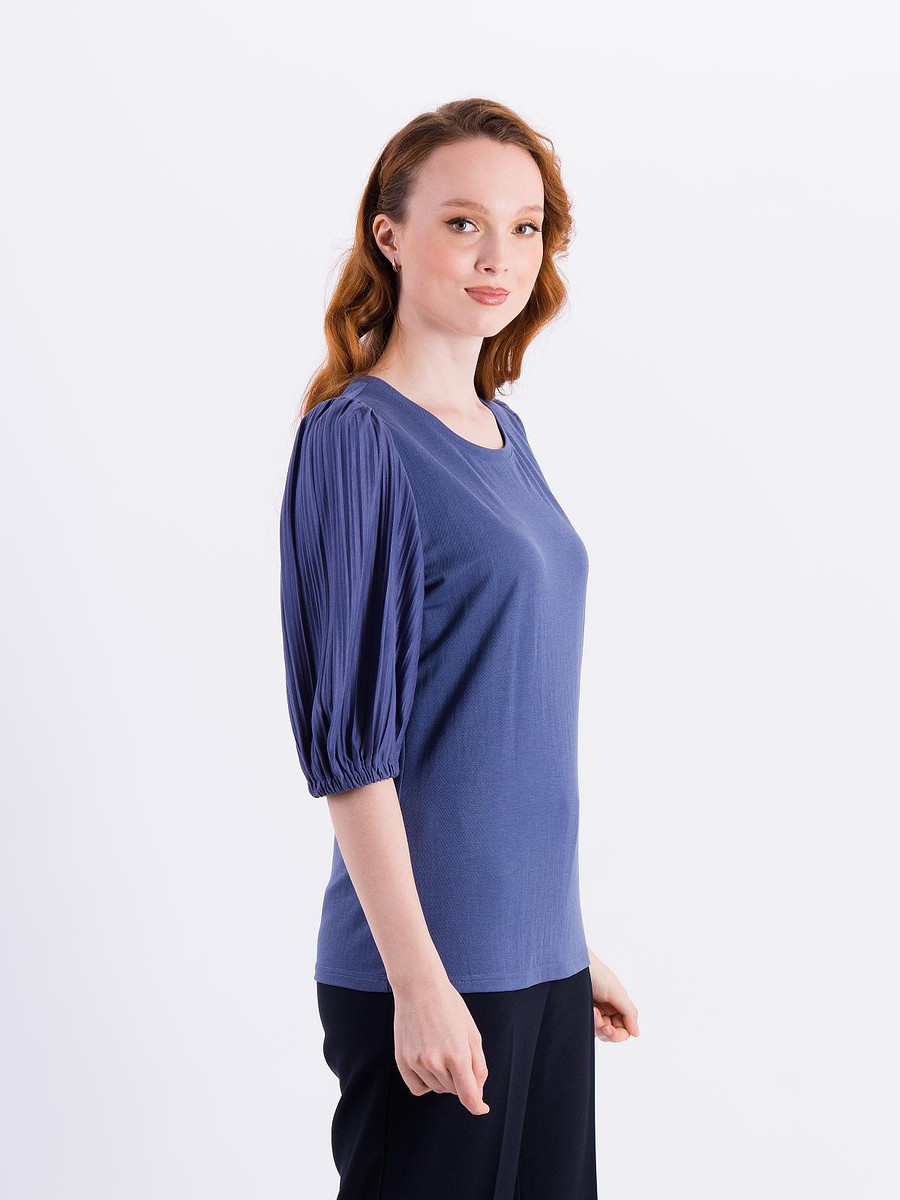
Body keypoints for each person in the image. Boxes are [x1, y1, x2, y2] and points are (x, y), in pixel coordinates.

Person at [279, 96, 639, 1200]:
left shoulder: (502, 431)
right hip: (429, 978)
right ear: (389, 234)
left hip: (536, 962)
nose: (499, 256)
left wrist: (563, 945)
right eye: (463, 223)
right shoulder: (358, 440)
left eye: (526, 227)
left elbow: (502, 720)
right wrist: (420, 982)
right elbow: (354, 755)